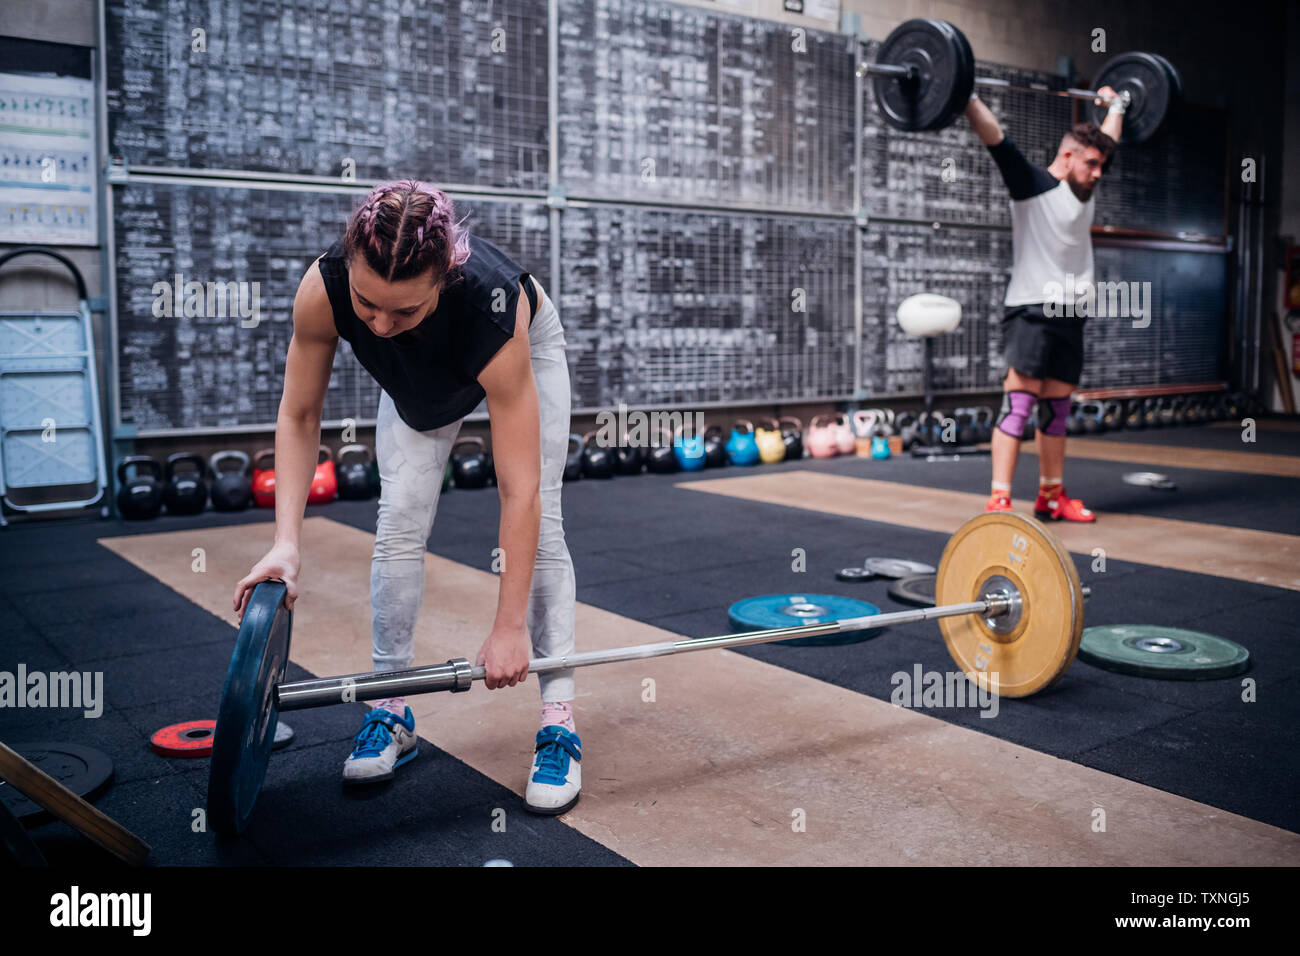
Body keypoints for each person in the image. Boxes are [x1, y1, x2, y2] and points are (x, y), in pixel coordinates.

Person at [232, 180, 581, 814]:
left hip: (515, 350)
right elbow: (300, 415)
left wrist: (507, 630)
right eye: (368, 307)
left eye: (405, 312)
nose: (382, 326)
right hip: (418, 389)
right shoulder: (325, 286)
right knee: (396, 521)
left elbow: (519, 487)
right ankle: (390, 709)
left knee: (547, 518)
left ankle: (559, 720)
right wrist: (286, 543)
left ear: (445, 277)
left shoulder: (493, 310)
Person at [964, 86, 1126, 521]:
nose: (1098, 174)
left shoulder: (1084, 192)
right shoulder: (1030, 185)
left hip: (1072, 312)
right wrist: (965, 95)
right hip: (1032, 309)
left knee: (1056, 409)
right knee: (1020, 404)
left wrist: (1119, 105)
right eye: (1091, 164)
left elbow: (1109, 138)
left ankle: (1051, 496)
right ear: (1068, 157)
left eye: (1102, 166)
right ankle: (999, 498)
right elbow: (996, 137)